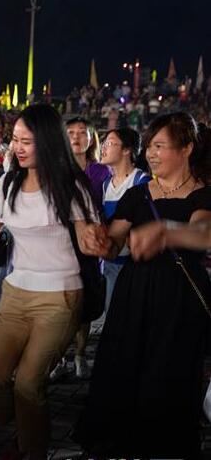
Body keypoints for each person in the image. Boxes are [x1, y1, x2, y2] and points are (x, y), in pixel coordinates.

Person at [0, 104, 101, 459]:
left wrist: (99, 240)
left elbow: (86, 240)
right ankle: (20, 425)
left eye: (26, 141)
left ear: (47, 141)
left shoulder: (71, 185)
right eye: (14, 139)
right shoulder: (8, 182)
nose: (17, 147)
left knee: (30, 384)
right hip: (16, 293)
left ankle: (32, 450)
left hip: (60, 296)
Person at [76, 113, 211, 459]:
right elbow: (114, 243)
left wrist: (165, 231)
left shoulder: (203, 194)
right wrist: (96, 240)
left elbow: (203, 234)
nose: (151, 153)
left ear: (186, 148)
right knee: (127, 365)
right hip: (135, 292)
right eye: (149, 146)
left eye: (160, 146)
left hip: (180, 295)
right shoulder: (137, 195)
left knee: (170, 369)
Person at [50, 116, 110, 381]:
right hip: (58, 243)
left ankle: (80, 354)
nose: (76, 137)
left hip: (88, 244)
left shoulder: (101, 172)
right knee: (59, 304)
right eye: (70, 132)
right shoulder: (53, 169)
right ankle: (59, 356)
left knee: (85, 301)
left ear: (91, 138)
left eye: (82, 132)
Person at [98, 128, 150, 310]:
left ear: (127, 150)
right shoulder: (106, 184)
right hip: (111, 262)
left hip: (133, 264)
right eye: (103, 143)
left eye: (110, 143)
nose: (103, 148)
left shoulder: (141, 180)